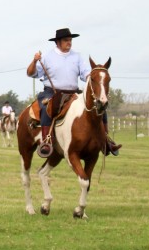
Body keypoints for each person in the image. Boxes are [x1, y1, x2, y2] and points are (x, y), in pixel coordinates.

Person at [26, 27, 121, 158]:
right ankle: (46, 141)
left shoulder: (77, 57)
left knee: (99, 107)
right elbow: (31, 73)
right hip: (52, 93)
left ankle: (106, 140)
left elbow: (86, 73)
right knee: (46, 107)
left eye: (70, 40)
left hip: (72, 93)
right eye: (66, 40)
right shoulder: (48, 56)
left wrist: (95, 76)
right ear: (58, 42)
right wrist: (35, 60)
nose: (69, 42)